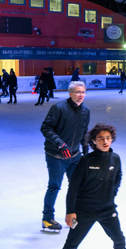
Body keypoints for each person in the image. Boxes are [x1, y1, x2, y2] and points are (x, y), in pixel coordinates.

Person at [49, 123, 126, 249]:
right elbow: (73, 187)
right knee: (71, 244)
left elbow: (118, 177)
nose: (105, 142)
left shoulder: (115, 158)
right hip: (85, 210)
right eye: (100, 139)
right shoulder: (86, 160)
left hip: (107, 208)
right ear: (94, 141)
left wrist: (112, 193)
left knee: (119, 238)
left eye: (108, 138)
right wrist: (70, 211)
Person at [39, 82, 91, 234]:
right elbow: (46, 128)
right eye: (77, 92)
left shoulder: (85, 110)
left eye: (83, 92)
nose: (81, 95)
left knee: (76, 186)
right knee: (54, 186)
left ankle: (72, 216)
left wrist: (86, 152)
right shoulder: (59, 108)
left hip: (75, 156)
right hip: (56, 156)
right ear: (70, 93)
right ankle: (47, 218)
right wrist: (60, 144)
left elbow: (84, 132)